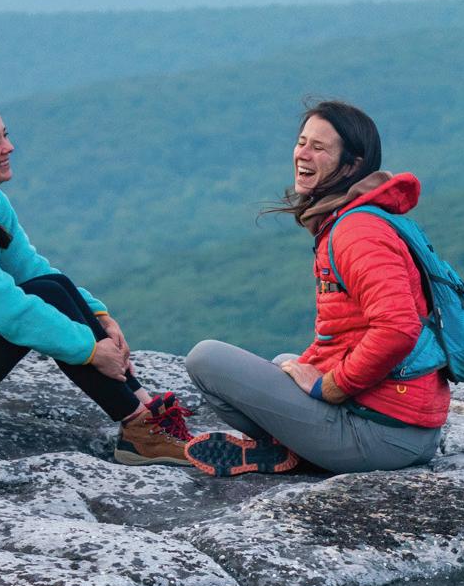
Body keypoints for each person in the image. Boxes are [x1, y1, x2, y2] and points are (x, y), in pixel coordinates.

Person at [0, 91, 291, 473]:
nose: (8, 147)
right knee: (41, 300)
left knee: (51, 286)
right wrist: (90, 349)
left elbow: (33, 269)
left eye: (5, 135)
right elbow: (6, 310)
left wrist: (99, 316)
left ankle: (145, 413)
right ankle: (141, 430)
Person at [185, 102, 449, 476]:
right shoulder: (355, 219)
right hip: (398, 424)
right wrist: (312, 372)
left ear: (352, 166)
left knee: (206, 359)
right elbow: (344, 334)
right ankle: (286, 451)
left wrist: (332, 387)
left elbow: (398, 329)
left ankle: (287, 452)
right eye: (302, 142)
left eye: (319, 147)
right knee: (286, 363)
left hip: (384, 436)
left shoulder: (357, 232)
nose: (303, 154)